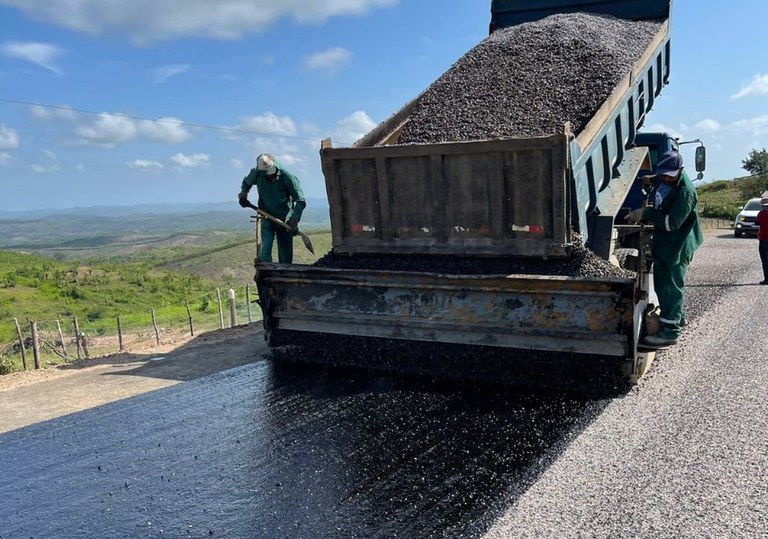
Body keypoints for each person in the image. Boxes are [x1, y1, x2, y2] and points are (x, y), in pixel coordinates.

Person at [626, 149, 703, 348]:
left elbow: (671, 224)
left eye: (669, 176)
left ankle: (669, 332)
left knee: (669, 286)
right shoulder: (666, 178)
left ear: (680, 170)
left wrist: (647, 212)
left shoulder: (685, 192)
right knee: (665, 284)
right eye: (662, 175)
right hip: (666, 242)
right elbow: (660, 180)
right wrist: (652, 179)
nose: (665, 179)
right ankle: (677, 317)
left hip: (676, 244)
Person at [238, 153, 306, 263]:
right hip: (266, 215)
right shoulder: (256, 173)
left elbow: (300, 201)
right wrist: (243, 195)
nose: (269, 176)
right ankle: (266, 274)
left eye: (270, 173)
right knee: (266, 248)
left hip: (285, 219)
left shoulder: (287, 177)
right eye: (265, 174)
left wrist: (294, 219)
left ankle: (285, 275)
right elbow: (246, 182)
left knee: (285, 253)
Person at [756, 196, 768, 285]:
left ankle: (767, 279)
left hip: (764, 239)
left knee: (765, 260)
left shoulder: (761, 214)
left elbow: (757, 222)